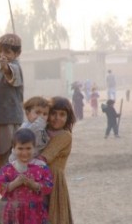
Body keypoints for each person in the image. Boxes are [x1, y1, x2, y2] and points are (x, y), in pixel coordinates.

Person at [0, 33, 24, 199]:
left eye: (8, 52)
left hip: (8, 120)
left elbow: (11, 74)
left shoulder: (14, 66)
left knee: (6, 156)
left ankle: (2, 190)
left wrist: (5, 66)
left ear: (16, 54)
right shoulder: (2, 69)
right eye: (1, 51)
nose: (4, 55)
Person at [0, 128, 53, 224]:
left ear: (34, 148)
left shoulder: (41, 167)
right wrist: (14, 183)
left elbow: (49, 185)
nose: (24, 152)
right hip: (13, 212)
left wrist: (34, 185)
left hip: (35, 213)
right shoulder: (8, 169)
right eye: (20, 148)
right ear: (13, 149)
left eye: (28, 148)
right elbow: (0, 186)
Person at [39, 96, 76, 224]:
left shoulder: (65, 136)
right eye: (53, 113)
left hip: (53, 180)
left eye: (62, 114)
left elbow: (44, 157)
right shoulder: (41, 130)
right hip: (37, 176)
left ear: (68, 118)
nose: (57, 118)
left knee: (54, 215)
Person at [8, 96, 50, 165]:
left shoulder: (42, 127)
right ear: (28, 114)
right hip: (19, 160)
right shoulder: (26, 128)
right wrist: (38, 125)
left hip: (32, 158)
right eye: (37, 112)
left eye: (45, 114)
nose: (41, 117)